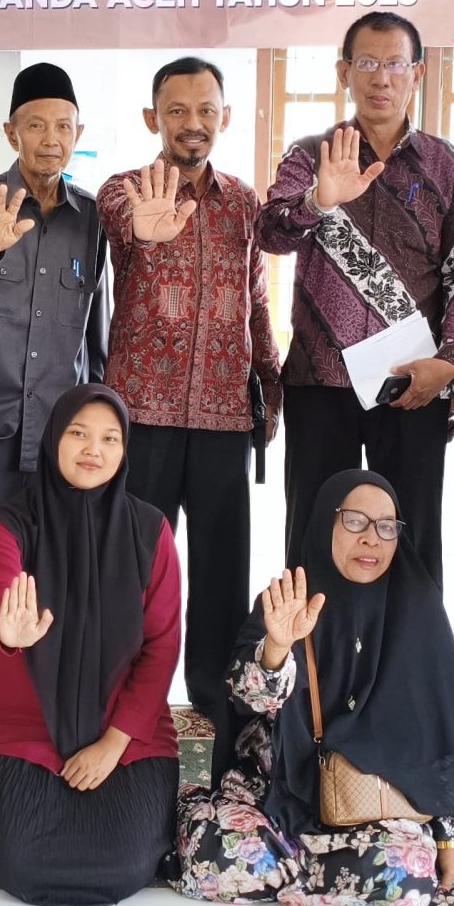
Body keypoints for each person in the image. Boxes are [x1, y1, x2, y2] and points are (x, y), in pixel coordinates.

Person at [176, 471, 454, 906]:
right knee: (210, 854)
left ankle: (289, 875)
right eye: (355, 521)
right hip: (277, 791)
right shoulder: (289, 600)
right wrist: (278, 647)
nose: (371, 539)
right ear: (324, 522)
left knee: (405, 877)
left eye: (386, 526)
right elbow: (247, 700)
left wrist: (450, 849)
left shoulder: (418, 608)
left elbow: (445, 734)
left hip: (373, 804)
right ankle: (322, 876)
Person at [258, 12, 454, 588]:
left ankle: (408, 648)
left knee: (411, 535)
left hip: (414, 383)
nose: (380, 78)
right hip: (320, 379)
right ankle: (310, 646)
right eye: (366, 63)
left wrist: (449, 364)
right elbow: (271, 234)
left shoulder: (449, 166)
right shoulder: (311, 155)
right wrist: (318, 200)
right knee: (314, 531)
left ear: (417, 73)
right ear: (344, 73)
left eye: (394, 64)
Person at [98, 55, 280, 733]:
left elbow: (257, 299)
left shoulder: (244, 202)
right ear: (154, 118)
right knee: (133, 566)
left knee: (223, 572)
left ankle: (216, 707)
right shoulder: (124, 189)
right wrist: (144, 226)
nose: (192, 123)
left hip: (224, 416)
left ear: (224, 118)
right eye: (177, 110)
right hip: (140, 415)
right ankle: (122, 701)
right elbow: (119, 222)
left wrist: (271, 382)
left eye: (206, 110)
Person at [0, 61, 110, 709]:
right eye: (36, 125)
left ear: (78, 133)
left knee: (48, 567)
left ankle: (32, 700)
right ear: (12, 133)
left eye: (63, 126)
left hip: (59, 433)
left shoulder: (93, 219)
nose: (50, 139)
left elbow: (96, 326)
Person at [0, 386, 181, 906]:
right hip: (25, 725)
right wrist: (9, 633)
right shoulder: (7, 524)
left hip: (127, 730)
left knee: (124, 862)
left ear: (124, 451)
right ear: (53, 440)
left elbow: (162, 647)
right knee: (22, 860)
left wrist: (113, 744)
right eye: (78, 433)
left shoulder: (151, 530)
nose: (94, 449)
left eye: (110, 439)